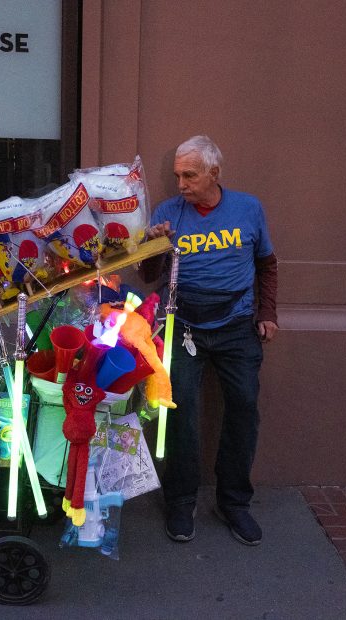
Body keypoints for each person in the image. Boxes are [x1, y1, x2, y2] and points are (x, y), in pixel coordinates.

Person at [142, 135, 278, 545]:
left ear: (213, 173)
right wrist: (155, 245)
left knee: (243, 409)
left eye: (189, 175)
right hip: (184, 325)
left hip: (236, 326)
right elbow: (148, 275)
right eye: (177, 176)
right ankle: (181, 501)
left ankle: (234, 502)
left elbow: (267, 264)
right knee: (180, 411)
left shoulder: (248, 208)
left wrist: (268, 313)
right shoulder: (168, 213)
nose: (181, 184)